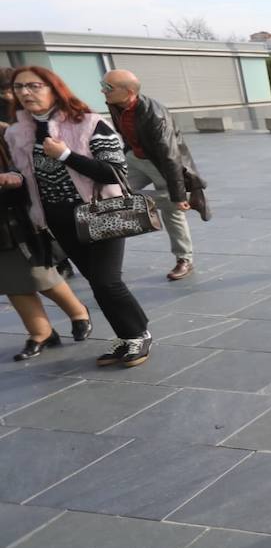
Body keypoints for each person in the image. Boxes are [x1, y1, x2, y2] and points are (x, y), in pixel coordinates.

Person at [4, 66, 152, 368]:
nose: (25, 93)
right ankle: (128, 337)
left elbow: (115, 171)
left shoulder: (89, 123)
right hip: (58, 220)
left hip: (101, 212)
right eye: (19, 88)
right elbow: (31, 178)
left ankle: (139, 335)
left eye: (34, 86)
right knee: (97, 283)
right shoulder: (18, 133)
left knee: (107, 281)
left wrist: (66, 155)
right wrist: (14, 178)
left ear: (54, 88)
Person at [1, 68, 93, 361]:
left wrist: (11, 177)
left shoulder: (9, 129)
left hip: (11, 213)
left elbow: (24, 166)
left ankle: (78, 312)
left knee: (38, 272)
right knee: (7, 278)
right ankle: (40, 331)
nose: (23, 92)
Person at [99, 69, 208, 281]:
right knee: (110, 193)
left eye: (108, 87)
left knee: (173, 211)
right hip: (135, 158)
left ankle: (184, 259)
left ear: (128, 91)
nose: (103, 90)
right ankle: (171, 200)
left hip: (161, 163)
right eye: (103, 85)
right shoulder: (115, 103)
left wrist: (177, 195)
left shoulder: (155, 115)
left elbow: (170, 156)